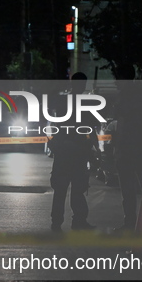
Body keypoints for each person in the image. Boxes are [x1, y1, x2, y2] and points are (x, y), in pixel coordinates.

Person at [48, 72, 99, 232]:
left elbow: (55, 125)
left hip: (65, 151)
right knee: (77, 188)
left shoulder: (63, 102)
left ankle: (57, 222)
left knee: (61, 189)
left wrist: (53, 143)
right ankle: (78, 221)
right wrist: (95, 149)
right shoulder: (86, 104)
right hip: (77, 153)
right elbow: (92, 129)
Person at [112, 65, 142, 231]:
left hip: (130, 150)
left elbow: (124, 125)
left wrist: (118, 149)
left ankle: (131, 223)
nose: (115, 82)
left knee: (129, 190)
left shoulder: (125, 98)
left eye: (117, 78)